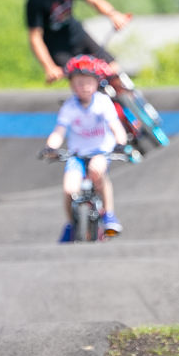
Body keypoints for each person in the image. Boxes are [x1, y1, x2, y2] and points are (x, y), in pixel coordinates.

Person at [41, 55, 129, 242]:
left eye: (89, 82)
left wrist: (121, 143)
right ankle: (71, 223)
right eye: (79, 83)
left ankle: (110, 214)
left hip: (100, 151)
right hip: (77, 155)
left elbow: (116, 127)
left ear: (96, 83)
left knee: (97, 171)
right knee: (68, 189)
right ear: (72, 85)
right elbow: (59, 132)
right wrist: (50, 146)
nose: (85, 86)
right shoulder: (69, 106)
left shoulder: (103, 103)